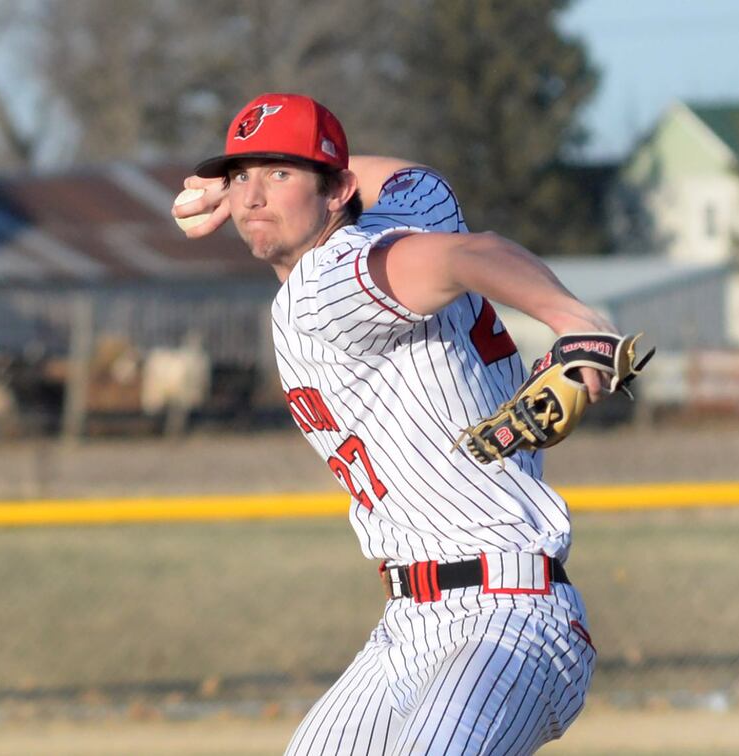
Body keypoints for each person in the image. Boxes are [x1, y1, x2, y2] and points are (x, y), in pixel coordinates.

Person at [174, 92, 610, 755]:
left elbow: (468, 255)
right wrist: (260, 176)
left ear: (335, 191)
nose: (254, 196)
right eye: (242, 177)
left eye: (280, 175)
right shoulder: (408, 212)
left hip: (505, 620)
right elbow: (415, 181)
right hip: (411, 627)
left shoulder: (331, 282)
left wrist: (574, 319)